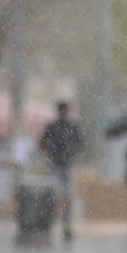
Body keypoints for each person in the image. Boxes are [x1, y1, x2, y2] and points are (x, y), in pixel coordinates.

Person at [38, 101, 84, 241]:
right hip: (56, 166)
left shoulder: (72, 127)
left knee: (68, 197)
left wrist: (71, 150)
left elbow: (81, 143)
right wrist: (52, 148)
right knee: (55, 195)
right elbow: (42, 143)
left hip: (67, 165)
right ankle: (50, 223)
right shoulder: (52, 127)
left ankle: (67, 226)